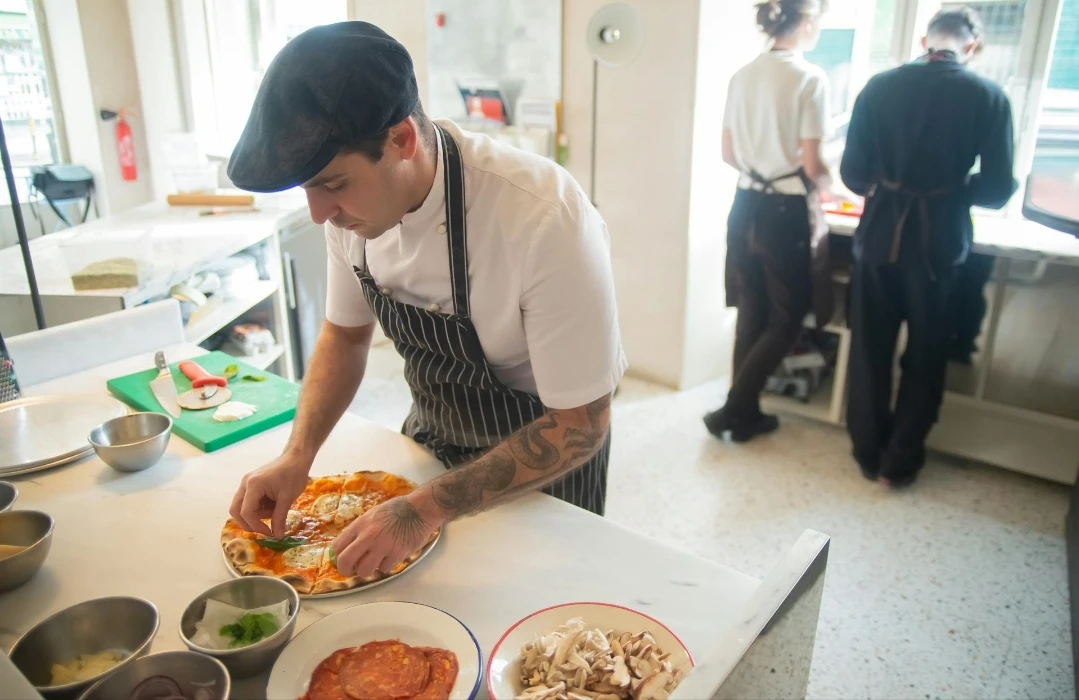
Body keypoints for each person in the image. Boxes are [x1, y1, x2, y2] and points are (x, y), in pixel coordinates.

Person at [225, 22, 625, 578]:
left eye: (332, 184)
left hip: (547, 467)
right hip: (431, 447)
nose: (318, 214)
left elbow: (582, 422)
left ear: (402, 140)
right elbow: (344, 335)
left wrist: (427, 507)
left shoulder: (542, 217)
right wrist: (298, 455)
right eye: (307, 190)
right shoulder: (350, 214)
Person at [840, 6, 1017, 486]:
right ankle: (900, 462)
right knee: (927, 352)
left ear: (924, 40)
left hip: (879, 234)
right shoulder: (989, 96)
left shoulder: (879, 86)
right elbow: (999, 188)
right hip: (940, 238)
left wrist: (890, 182)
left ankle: (867, 452)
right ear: (971, 46)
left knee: (869, 347)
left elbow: (853, 175)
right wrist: (956, 190)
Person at [704, 0, 831, 442]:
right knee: (790, 316)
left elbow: (727, 154)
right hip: (783, 211)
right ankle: (735, 408)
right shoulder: (809, 78)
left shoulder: (743, 75)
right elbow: (814, 166)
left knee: (752, 310)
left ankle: (743, 412)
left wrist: (761, 170)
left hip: (744, 204)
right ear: (808, 23)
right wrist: (838, 186)